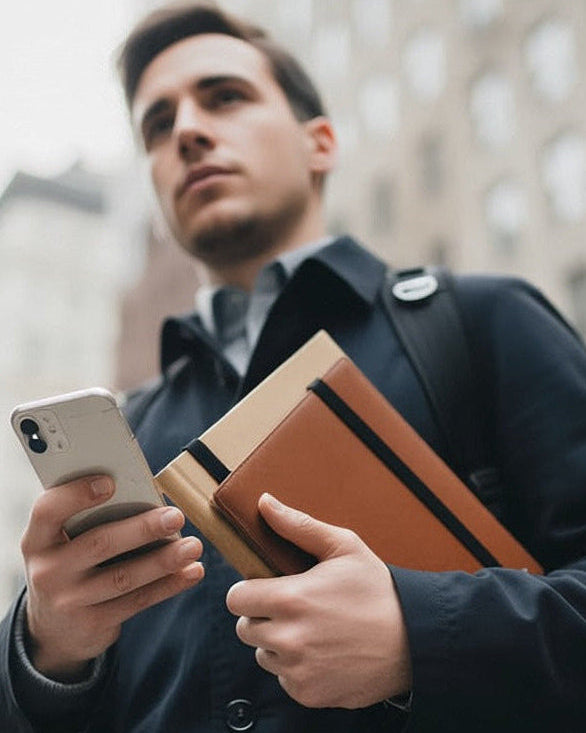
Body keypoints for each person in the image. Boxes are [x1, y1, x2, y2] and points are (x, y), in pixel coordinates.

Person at [2, 3, 586, 731]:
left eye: (225, 96)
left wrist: (421, 634)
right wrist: (47, 649)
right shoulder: (132, 430)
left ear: (321, 142)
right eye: (158, 124)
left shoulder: (480, 321)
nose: (186, 129)